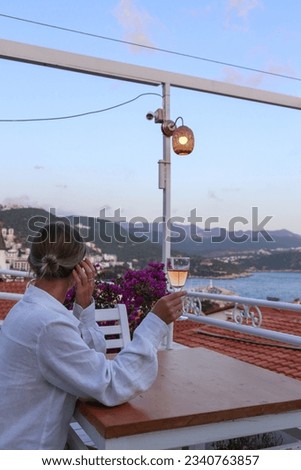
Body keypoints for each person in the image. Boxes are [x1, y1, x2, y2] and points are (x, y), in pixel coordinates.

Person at [0, 221, 185, 450]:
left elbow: (87, 360)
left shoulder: (27, 310)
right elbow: (111, 384)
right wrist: (155, 323)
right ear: (80, 268)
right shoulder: (48, 325)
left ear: (33, 262)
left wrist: (84, 306)